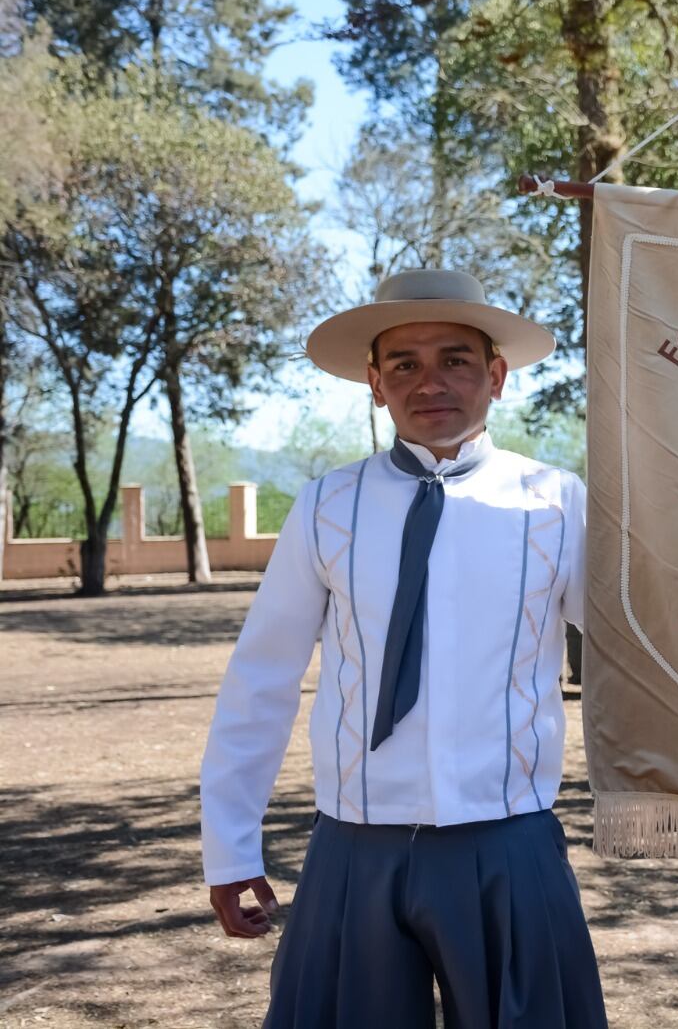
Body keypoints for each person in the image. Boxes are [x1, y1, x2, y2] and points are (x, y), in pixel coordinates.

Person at [199, 269, 607, 1028]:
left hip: (508, 844)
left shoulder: (554, 503)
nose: (431, 383)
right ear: (374, 383)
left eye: (455, 359)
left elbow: (631, 650)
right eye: (404, 365)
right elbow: (263, 678)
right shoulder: (327, 505)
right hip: (355, 849)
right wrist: (230, 844)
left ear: (495, 376)